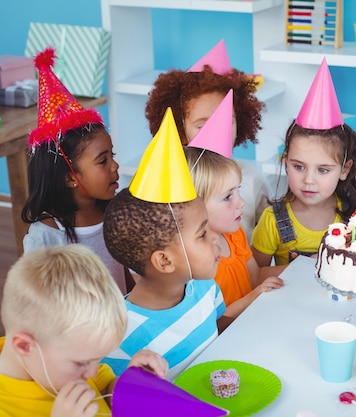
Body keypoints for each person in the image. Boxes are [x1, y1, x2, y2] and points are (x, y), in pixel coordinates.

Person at [102, 109, 229, 380]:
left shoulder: (206, 289)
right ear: (165, 261)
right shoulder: (118, 336)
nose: (215, 237)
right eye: (202, 233)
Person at [0, 245, 168, 417]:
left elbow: (105, 391)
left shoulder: (71, 358)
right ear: (25, 346)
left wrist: (131, 385)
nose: (92, 373)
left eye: (97, 359)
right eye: (81, 363)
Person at [20, 47, 132, 294]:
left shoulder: (113, 215)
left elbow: (127, 279)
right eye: (102, 161)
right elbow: (34, 300)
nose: (115, 166)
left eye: (111, 156)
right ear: (70, 177)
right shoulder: (46, 237)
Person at [144, 39, 269, 242]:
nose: (217, 133)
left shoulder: (253, 180)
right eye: (202, 126)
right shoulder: (170, 185)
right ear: (180, 129)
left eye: (226, 122)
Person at [251, 59, 356, 267]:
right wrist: (302, 269)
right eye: (299, 167)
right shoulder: (272, 220)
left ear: (344, 170)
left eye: (323, 170)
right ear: (285, 161)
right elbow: (253, 277)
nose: (308, 180)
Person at [183, 93, 285, 318]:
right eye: (228, 196)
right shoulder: (197, 261)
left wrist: (307, 268)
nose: (241, 202)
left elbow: (254, 276)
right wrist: (254, 297)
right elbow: (212, 323)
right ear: (195, 205)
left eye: (238, 190)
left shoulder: (235, 234)